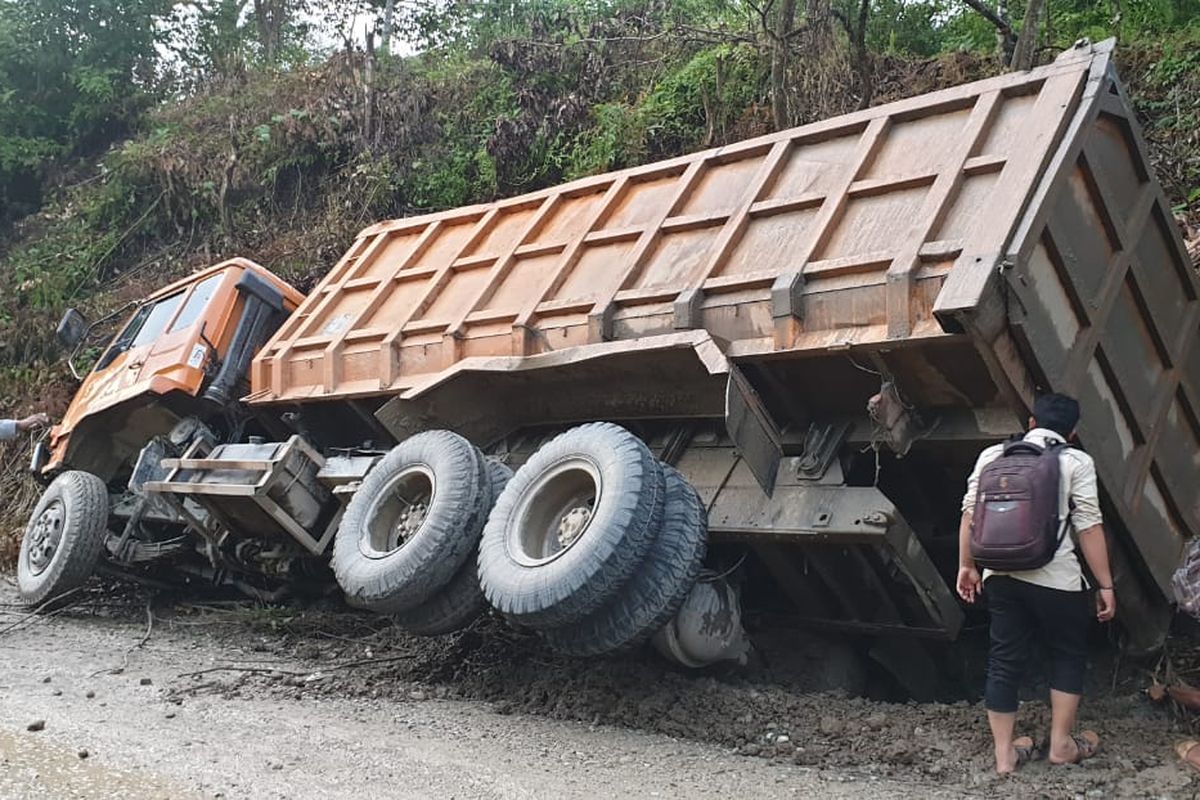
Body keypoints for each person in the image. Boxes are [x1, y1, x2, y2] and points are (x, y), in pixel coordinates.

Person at [957, 393, 1116, 774]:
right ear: (1073, 432)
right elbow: (1089, 526)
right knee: (1066, 653)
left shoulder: (993, 456)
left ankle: (1004, 757)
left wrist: (967, 566)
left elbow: (969, 514)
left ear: (1031, 423)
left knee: (1003, 660)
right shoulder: (1075, 461)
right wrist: (1105, 584)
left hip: (1000, 575)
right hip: (1056, 577)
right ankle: (1061, 745)